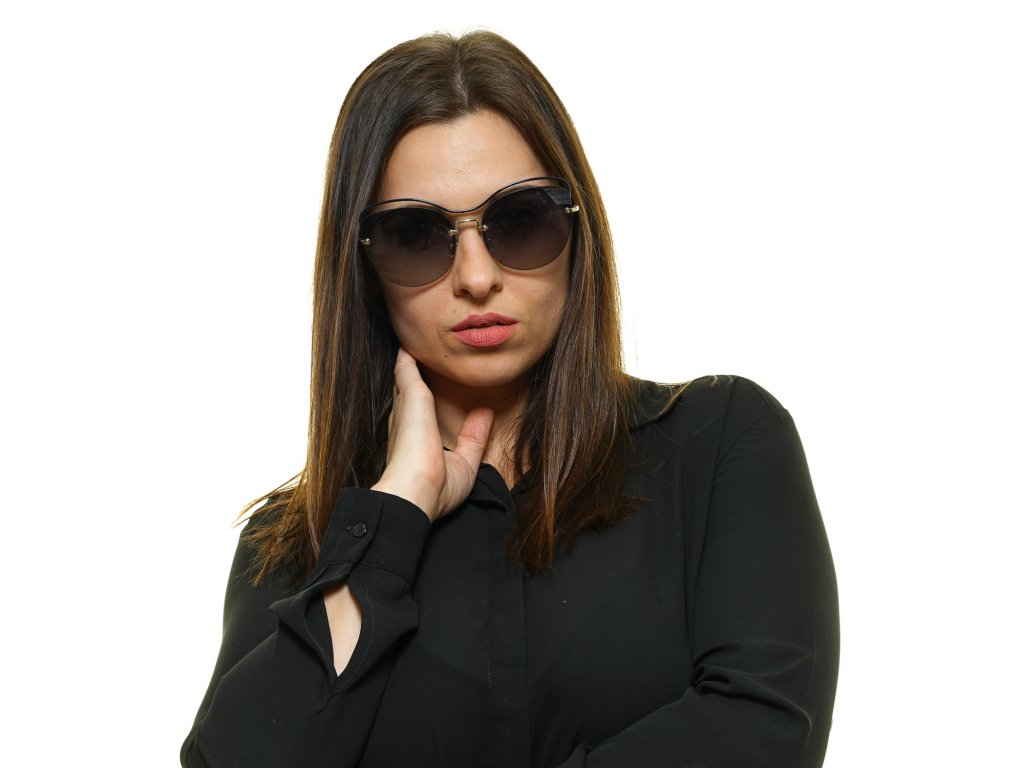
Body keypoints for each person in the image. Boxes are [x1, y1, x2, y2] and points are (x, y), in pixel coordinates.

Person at [181, 30, 839, 768]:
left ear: (578, 228)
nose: (476, 277)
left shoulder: (718, 448)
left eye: (520, 220)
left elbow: (762, 727)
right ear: (363, 267)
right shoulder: (295, 542)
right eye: (415, 234)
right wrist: (391, 519)